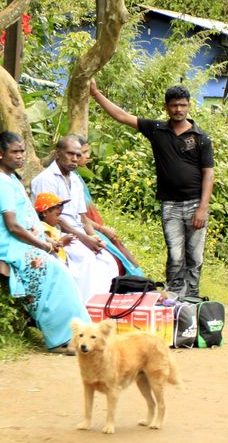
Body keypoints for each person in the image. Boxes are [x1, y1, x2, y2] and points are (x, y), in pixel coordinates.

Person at [89, 81, 214, 298]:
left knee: (195, 257)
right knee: (175, 256)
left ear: (189, 106)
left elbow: (208, 174)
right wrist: (96, 93)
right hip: (170, 206)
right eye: (174, 105)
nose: (178, 109)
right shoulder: (157, 130)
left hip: (195, 204)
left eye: (183, 105)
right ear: (166, 107)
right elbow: (121, 116)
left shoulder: (201, 138)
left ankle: (192, 300)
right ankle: (174, 299)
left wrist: (202, 208)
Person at [0, 131, 89, 352]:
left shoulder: (10, 178)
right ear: (0, 153)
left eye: (22, 151)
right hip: (1, 240)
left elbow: (26, 219)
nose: (20, 156)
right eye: (15, 152)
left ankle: (77, 334)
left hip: (14, 237)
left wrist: (45, 239)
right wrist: (43, 245)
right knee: (49, 268)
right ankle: (59, 338)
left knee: (60, 269)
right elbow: (13, 225)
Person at [30, 136, 121, 302]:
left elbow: (83, 217)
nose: (74, 159)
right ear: (58, 154)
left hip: (78, 233)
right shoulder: (46, 179)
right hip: (56, 234)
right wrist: (85, 239)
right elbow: (54, 219)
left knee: (108, 261)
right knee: (85, 260)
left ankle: (101, 308)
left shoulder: (75, 180)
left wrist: (94, 238)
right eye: (70, 154)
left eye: (78, 155)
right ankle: (82, 308)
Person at [73, 136, 144, 277]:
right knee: (115, 259)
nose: (88, 156)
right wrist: (100, 229)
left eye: (88, 151)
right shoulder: (67, 178)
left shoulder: (76, 177)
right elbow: (76, 215)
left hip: (91, 227)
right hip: (81, 229)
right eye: (84, 152)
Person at [33, 192, 71, 263]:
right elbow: (47, 244)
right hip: (54, 263)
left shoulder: (52, 227)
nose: (59, 218)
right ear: (44, 213)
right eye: (57, 215)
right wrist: (62, 242)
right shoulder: (43, 227)